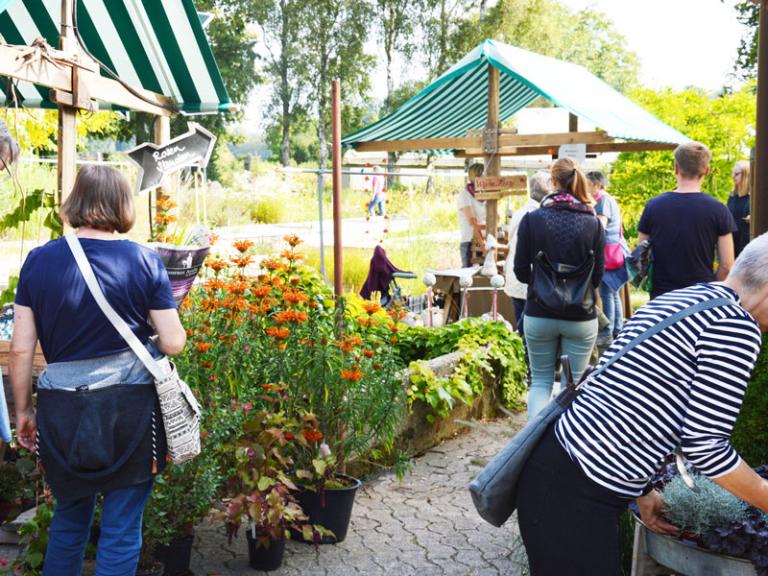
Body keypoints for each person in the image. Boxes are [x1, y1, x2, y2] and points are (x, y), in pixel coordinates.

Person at [516, 232, 768, 576]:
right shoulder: (736, 326)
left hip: (557, 472)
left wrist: (643, 491)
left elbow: (624, 392)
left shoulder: (691, 297)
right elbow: (706, 446)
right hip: (575, 493)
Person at [11, 165, 187, 575]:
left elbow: (21, 350)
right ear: (122, 205)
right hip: (132, 411)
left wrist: (23, 411)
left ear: (76, 201)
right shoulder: (144, 260)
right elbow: (174, 341)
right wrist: (147, 342)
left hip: (62, 411)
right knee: (122, 530)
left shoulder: (39, 262)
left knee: (69, 522)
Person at [514, 158, 604, 419]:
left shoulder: (533, 219)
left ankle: (531, 447)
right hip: (580, 316)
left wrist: (541, 285)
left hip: (539, 312)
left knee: (540, 381)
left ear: (553, 182)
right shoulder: (594, 223)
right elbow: (597, 276)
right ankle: (563, 449)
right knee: (572, 387)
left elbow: (520, 270)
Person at [637, 141, 737, 299]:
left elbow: (640, 255)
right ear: (706, 170)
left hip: (662, 298)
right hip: (701, 297)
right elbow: (726, 266)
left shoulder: (653, 206)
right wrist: (711, 287)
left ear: (675, 168)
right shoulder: (719, 210)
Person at [504, 171, 551, 331]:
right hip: (529, 279)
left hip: (515, 275)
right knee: (530, 330)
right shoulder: (538, 215)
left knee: (521, 324)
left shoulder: (520, 212)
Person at [586, 171, 628, 347]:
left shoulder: (602, 200)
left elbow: (600, 227)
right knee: (612, 291)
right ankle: (618, 329)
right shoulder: (607, 198)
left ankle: (608, 333)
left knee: (606, 293)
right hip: (616, 251)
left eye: (588, 184)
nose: (586, 187)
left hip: (607, 253)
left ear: (597, 184)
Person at [457, 163, 486, 268]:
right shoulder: (465, 195)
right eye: (479, 176)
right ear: (472, 177)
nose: (482, 178)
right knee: (468, 277)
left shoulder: (486, 195)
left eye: (484, 176)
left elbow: (496, 217)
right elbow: (472, 221)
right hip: (469, 241)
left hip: (485, 240)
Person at [728, 160, 751, 257]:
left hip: (747, 244)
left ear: (746, 175)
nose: (733, 176)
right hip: (732, 244)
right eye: (732, 173)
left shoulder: (755, 197)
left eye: (736, 174)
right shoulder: (732, 196)